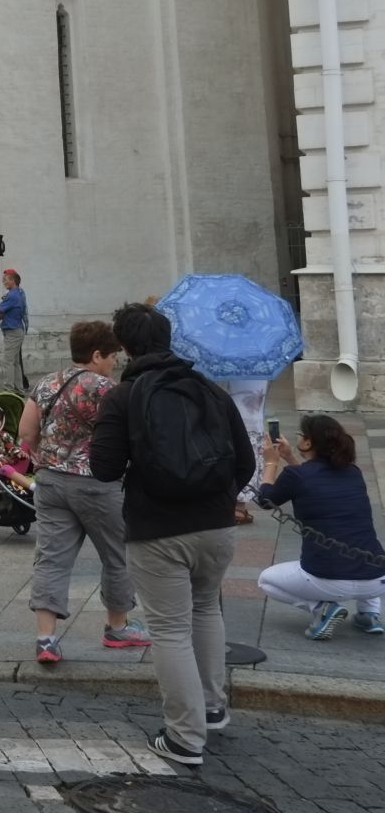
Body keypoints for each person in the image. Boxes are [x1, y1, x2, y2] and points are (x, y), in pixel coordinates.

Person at [89, 303, 255, 768]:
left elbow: (102, 467)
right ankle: (213, 705)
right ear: (169, 338)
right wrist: (216, 497)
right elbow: (244, 460)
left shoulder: (123, 396)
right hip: (216, 524)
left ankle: (185, 736)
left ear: (123, 347)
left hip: (158, 527)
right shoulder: (208, 389)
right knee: (206, 608)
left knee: (169, 629)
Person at [18, 320, 150, 664]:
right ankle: (117, 628)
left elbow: (26, 431)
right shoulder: (107, 389)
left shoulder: (46, 382)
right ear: (96, 354)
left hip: (50, 482)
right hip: (96, 483)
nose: (114, 363)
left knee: (51, 557)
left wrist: (44, 456)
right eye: (111, 356)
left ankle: (45, 639)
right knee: (116, 553)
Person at [256, 414, 385, 638]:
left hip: (327, 578)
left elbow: (266, 500)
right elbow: (309, 481)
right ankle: (369, 614)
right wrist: (289, 456)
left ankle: (321, 608)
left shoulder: (296, 476)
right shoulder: (353, 473)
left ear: (307, 442)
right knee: (360, 547)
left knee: (266, 580)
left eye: (301, 435)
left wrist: (271, 462)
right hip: (377, 578)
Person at [224, 378, 273, 525]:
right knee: (248, 456)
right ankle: (238, 506)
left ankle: (233, 505)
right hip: (251, 421)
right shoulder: (259, 361)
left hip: (233, 421)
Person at [0, 269, 28, 393]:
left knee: (8, 361)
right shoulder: (18, 293)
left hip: (13, 331)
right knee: (15, 362)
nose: (3, 282)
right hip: (16, 330)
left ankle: (8, 390)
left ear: (13, 280)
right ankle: (19, 389)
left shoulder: (12, 295)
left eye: (5, 280)